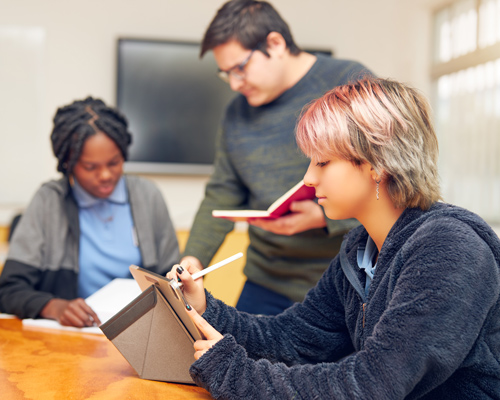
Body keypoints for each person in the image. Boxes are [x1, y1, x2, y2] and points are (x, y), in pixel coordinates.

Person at [169, 77, 500, 399]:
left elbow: (371, 385)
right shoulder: (360, 249)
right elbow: (292, 340)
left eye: (323, 162)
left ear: (378, 163)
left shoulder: (449, 250)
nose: (309, 178)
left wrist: (235, 374)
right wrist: (205, 307)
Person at [182, 0, 371, 315]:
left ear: (275, 43)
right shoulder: (236, 114)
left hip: (341, 279)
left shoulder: (351, 83)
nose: (234, 83)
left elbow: (391, 179)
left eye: (240, 68)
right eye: (225, 74)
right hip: (264, 282)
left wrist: (323, 218)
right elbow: (221, 193)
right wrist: (193, 260)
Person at [0, 97, 180, 327]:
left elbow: (172, 279)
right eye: (90, 167)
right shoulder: (49, 201)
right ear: (68, 163)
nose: (105, 175)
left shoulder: (147, 196)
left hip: (142, 331)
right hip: (76, 337)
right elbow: (9, 290)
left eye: (114, 163)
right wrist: (55, 307)